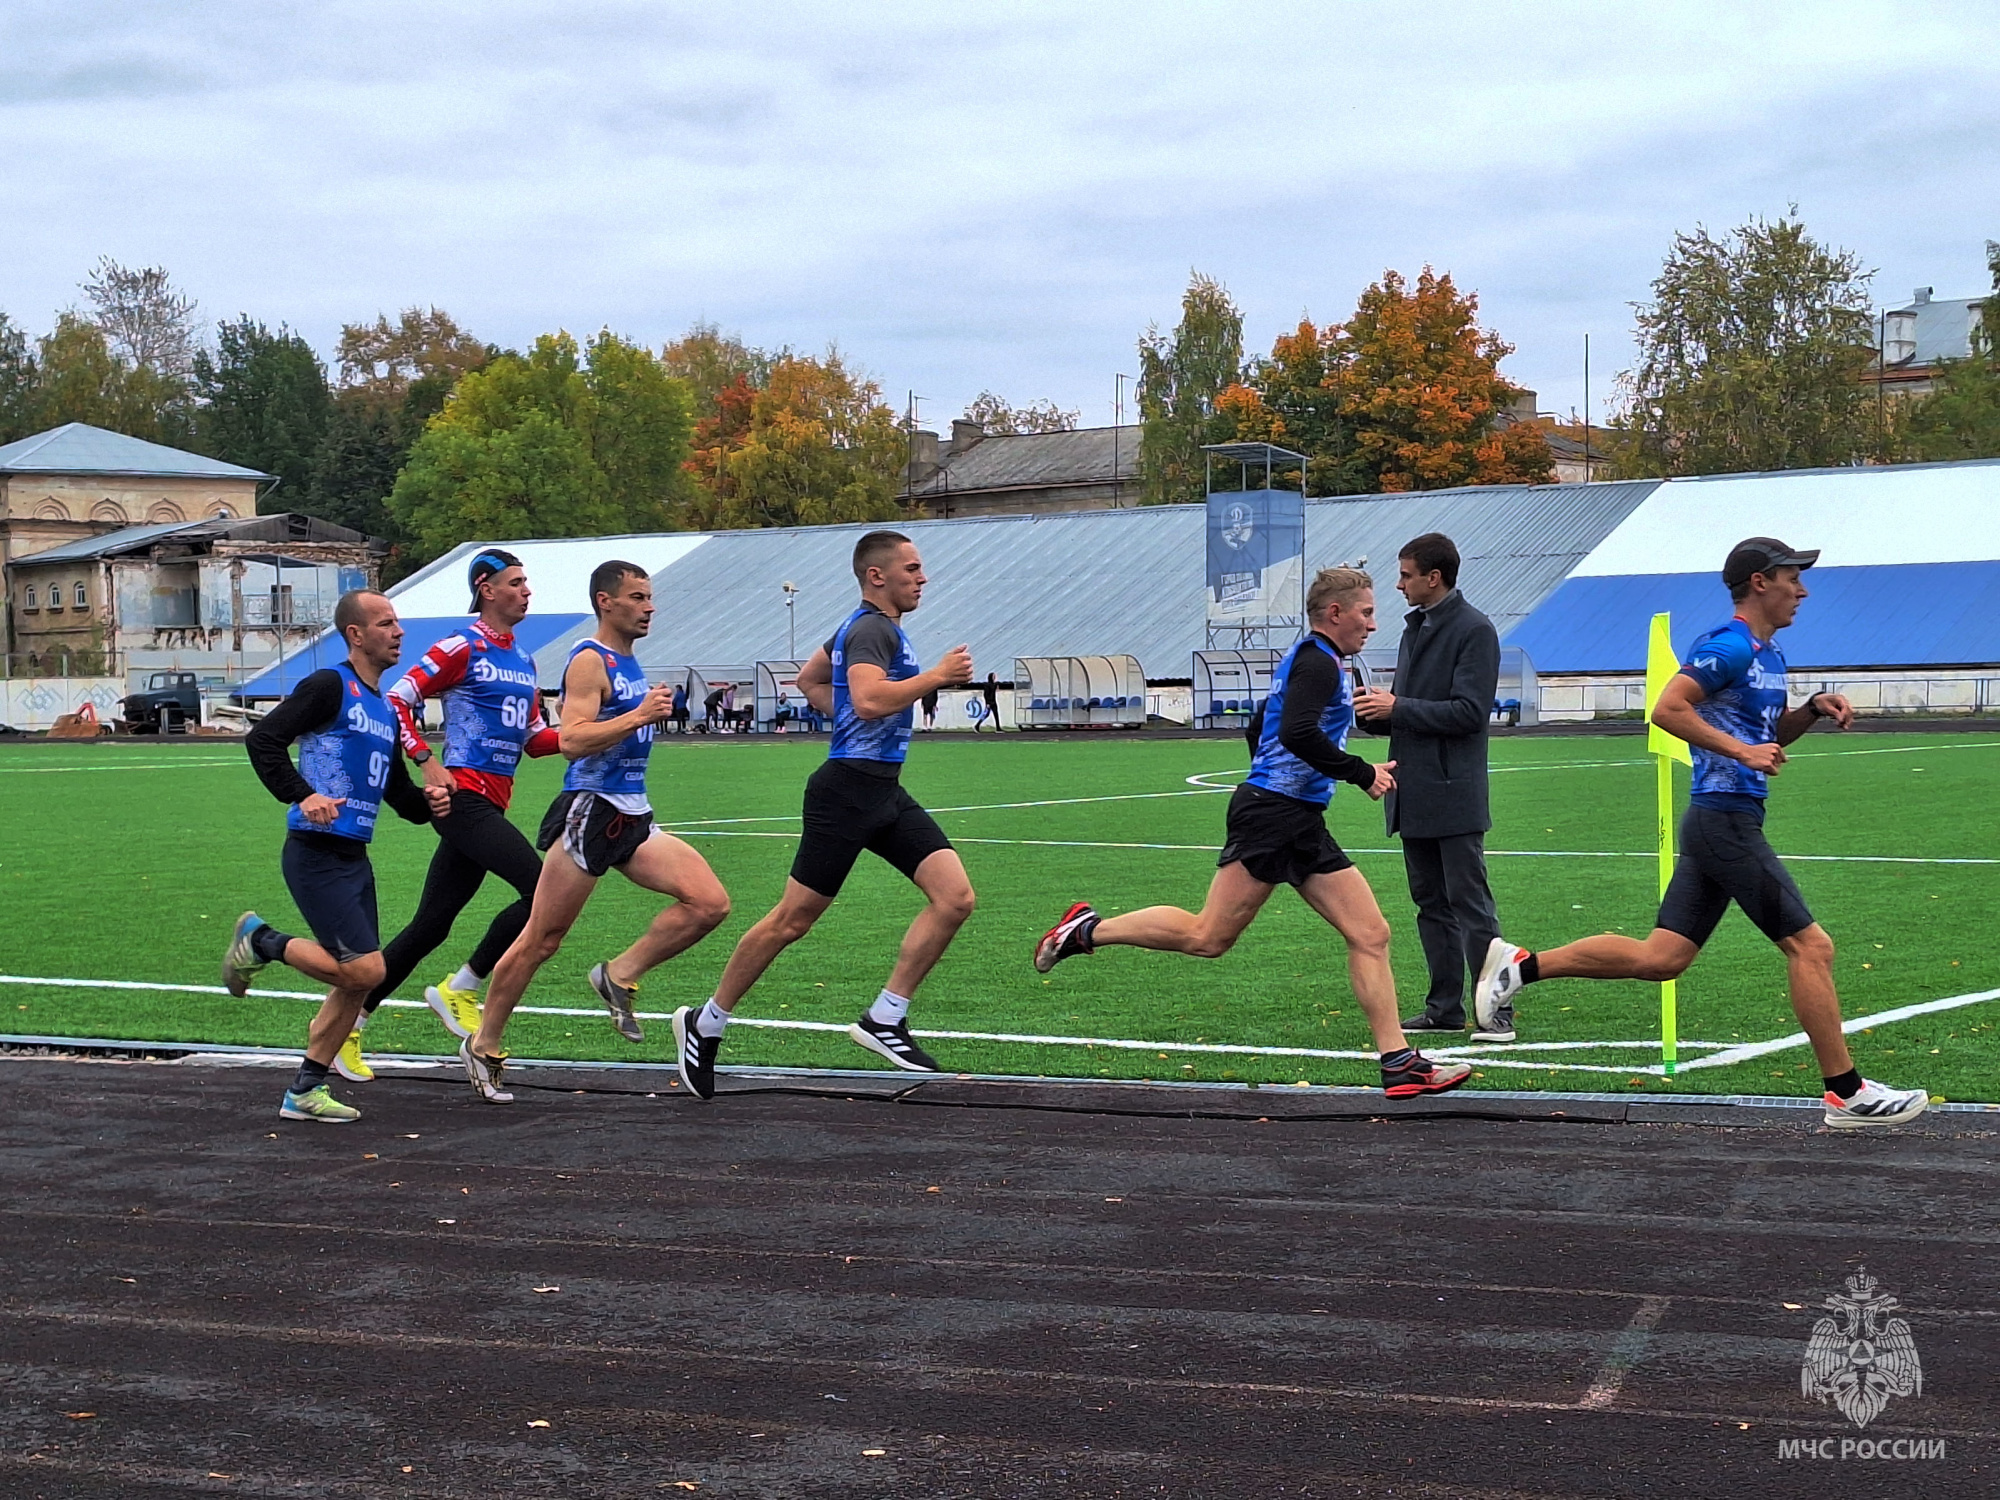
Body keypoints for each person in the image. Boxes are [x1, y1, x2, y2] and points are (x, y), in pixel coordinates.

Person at [1474, 538, 1929, 1129]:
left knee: (1662, 958)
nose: (1804, 589)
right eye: (1794, 576)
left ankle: (1520, 966)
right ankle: (1846, 1093)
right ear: (1760, 582)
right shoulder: (1729, 645)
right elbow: (1668, 709)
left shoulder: (1771, 653)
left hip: (1728, 816)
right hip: (1723, 818)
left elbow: (1767, 737)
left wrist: (1811, 709)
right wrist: (1742, 750)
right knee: (1812, 947)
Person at [1030, 567, 1470, 1099]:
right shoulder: (1318, 663)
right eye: (1367, 612)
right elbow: (1295, 730)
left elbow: (1260, 724)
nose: (1373, 625)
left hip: (1293, 816)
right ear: (1336, 613)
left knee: (1369, 933)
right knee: (1207, 937)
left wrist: (1277, 777)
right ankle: (1085, 931)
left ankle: (1398, 1061)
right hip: (1273, 816)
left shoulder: (1318, 659)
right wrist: (1360, 773)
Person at [671, 530, 976, 1097]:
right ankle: (705, 1021)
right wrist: (935, 677)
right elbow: (866, 699)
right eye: (912, 568)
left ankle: (885, 1017)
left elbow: (811, 681)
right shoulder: (869, 629)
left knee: (955, 897)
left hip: (882, 790)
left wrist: (851, 716)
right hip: (845, 794)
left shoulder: (856, 629)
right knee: (792, 920)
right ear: (876, 576)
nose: (923, 577)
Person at [459, 561, 731, 1104]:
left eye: (650, 596)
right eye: (637, 596)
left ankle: (619, 974)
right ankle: (483, 1044)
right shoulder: (590, 660)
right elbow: (572, 739)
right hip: (590, 812)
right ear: (606, 602)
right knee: (541, 939)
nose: (649, 606)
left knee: (708, 903)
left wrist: (642, 710)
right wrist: (638, 716)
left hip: (633, 814)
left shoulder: (630, 662)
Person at [329, 549, 562, 1083]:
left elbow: (533, 740)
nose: (527, 592)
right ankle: (463, 986)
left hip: (490, 803)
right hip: (463, 800)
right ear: (486, 587)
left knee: (430, 925)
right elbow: (398, 701)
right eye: (516, 582)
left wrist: (587, 736)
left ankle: (349, 1024)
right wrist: (425, 759)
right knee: (542, 892)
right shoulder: (462, 645)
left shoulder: (524, 661)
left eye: (528, 583)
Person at [221, 590, 452, 1122]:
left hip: (353, 858)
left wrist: (433, 803)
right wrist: (303, 794)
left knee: (359, 980)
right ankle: (260, 940)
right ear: (356, 634)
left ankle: (304, 1091)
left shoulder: (384, 709)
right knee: (365, 970)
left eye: (398, 623)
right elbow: (265, 741)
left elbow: (399, 796)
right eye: (385, 623)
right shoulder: (330, 686)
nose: (398, 632)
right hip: (315, 852)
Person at [1352, 533, 1508, 1041]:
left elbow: (1469, 713)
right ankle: (1445, 1008)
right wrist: (1373, 711)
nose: (1399, 585)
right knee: (1430, 905)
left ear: (1433, 577)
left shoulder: (1474, 630)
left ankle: (1495, 1012)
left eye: (1405, 575)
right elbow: (1412, 711)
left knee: (1470, 903)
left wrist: (1397, 706)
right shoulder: (1415, 628)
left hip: (1453, 790)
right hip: (1411, 788)